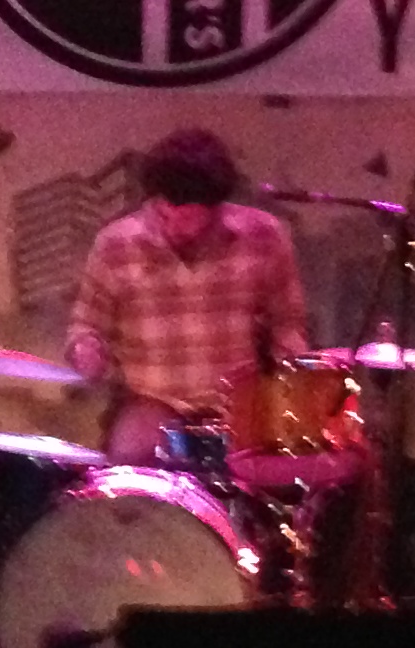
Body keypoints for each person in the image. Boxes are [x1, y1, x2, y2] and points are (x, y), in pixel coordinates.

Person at [63, 125, 312, 463]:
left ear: (215, 208)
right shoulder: (115, 243)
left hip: (238, 403)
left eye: (187, 219)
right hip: (150, 402)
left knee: (279, 471)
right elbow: (86, 325)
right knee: (132, 467)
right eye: (163, 214)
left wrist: (292, 372)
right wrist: (86, 350)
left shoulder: (264, 236)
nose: (172, 228)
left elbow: (288, 323)